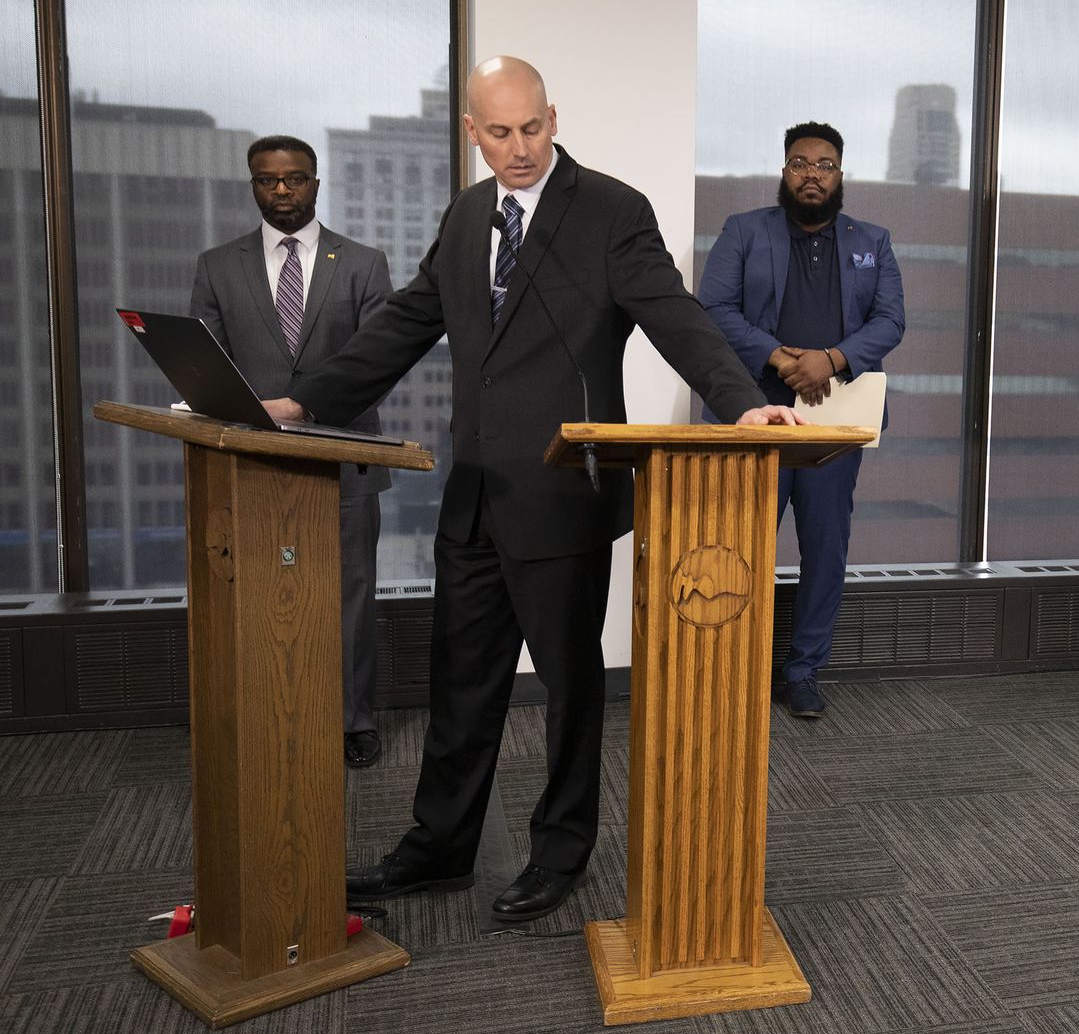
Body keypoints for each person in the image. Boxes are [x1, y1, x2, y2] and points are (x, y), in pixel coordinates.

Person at [264, 56, 797, 923]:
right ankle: (438, 849)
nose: (520, 149)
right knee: (462, 686)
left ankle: (561, 852)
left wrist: (741, 405)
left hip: (562, 493)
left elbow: (674, 314)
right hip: (473, 492)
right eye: (500, 133)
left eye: (533, 128)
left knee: (569, 690)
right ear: (472, 133)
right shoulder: (470, 213)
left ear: (554, 116)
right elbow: (406, 320)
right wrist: (305, 400)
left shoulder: (610, 211)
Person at [191, 134, 393, 768]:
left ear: (315, 182)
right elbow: (205, 365)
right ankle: (263, 709)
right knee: (256, 592)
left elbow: (378, 362)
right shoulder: (216, 265)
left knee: (350, 596)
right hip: (249, 462)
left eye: (295, 179)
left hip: (344, 455)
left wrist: (308, 406)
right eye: (267, 180)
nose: (281, 190)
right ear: (253, 184)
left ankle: (353, 719)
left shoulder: (362, 262)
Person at [697, 122, 904, 719]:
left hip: (835, 423)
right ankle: (733, 667)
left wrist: (831, 360)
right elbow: (712, 309)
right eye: (799, 163)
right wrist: (778, 355)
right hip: (754, 414)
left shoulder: (874, 240)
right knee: (738, 548)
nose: (812, 173)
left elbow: (890, 321)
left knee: (825, 547)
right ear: (784, 171)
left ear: (841, 174)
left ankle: (804, 670)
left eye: (825, 164)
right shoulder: (744, 232)